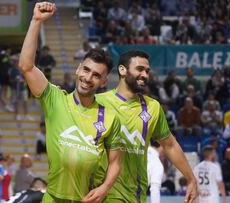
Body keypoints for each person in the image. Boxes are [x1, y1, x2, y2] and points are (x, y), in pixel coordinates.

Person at [19, 2, 121, 202]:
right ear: (78, 69)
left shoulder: (110, 118)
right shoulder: (54, 99)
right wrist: (36, 21)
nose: (88, 78)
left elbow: (116, 163)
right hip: (53, 198)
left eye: (96, 75)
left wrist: (105, 188)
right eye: (86, 70)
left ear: (103, 82)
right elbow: (26, 66)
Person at [94, 50, 197, 203]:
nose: (145, 75)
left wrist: (191, 179)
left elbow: (170, 145)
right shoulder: (98, 101)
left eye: (147, 71)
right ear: (122, 70)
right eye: (140, 69)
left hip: (134, 194)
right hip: (100, 192)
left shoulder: (153, 107)